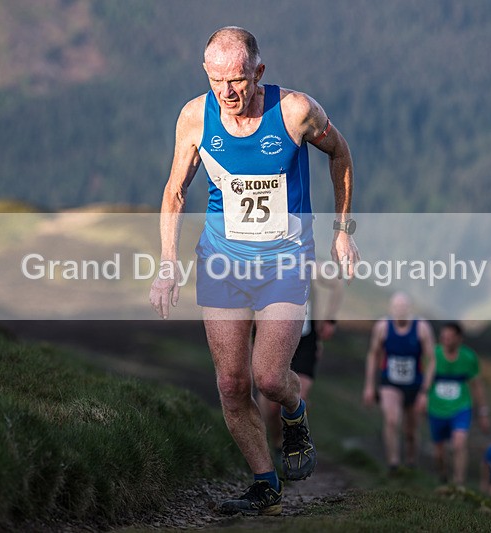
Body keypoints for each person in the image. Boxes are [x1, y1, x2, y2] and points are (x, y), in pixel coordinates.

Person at [148, 26, 359, 516]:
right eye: (217, 80)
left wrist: (343, 229)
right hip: (222, 260)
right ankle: (265, 484)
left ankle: (295, 411)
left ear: (258, 72)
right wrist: (166, 264)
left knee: (268, 377)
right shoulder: (195, 117)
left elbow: (341, 154)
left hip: (285, 260)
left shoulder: (295, 112)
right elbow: (175, 191)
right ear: (206, 74)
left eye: (238, 81)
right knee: (229, 384)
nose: (227, 92)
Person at [258, 277, 344, 454]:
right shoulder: (264, 258)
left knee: (299, 396)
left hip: (305, 340)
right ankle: (275, 443)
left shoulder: (307, 262)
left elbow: (337, 282)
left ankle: (294, 446)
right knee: (272, 402)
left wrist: (329, 320)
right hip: (271, 338)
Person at [362, 292, 436, 471]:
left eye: (403, 308)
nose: (400, 311)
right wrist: (370, 386)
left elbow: (432, 359)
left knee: (411, 431)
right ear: (390, 309)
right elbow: (373, 354)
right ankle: (393, 463)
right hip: (390, 382)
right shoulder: (382, 327)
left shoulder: (422, 328)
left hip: (414, 384)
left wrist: (425, 391)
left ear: (409, 309)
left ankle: (411, 463)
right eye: (396, 308)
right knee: (392, 419)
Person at [428, 322, 490, 486]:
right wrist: (421, 397)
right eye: (443, 337)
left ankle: (459, 484)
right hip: (436, 409)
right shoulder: (433, 355)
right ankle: (443, 475)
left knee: (459, 443)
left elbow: (477, 386)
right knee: (438, 453)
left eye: (449, 337)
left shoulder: (469, 358)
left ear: (459, 339)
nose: (445, 341)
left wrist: (483, 412)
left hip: (460, 407)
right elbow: (425, 380)